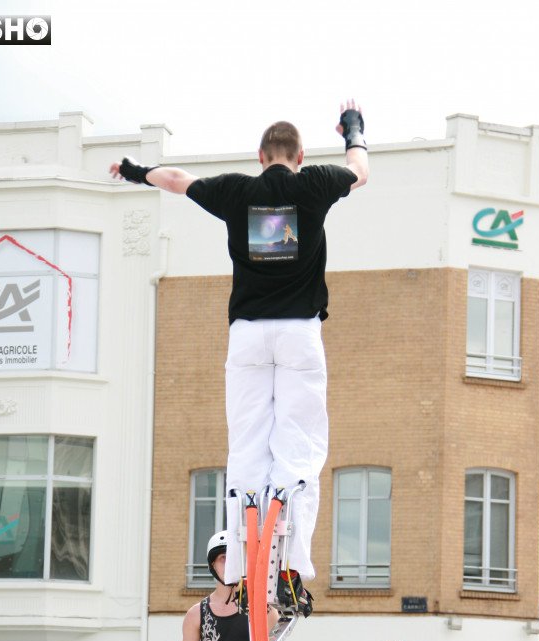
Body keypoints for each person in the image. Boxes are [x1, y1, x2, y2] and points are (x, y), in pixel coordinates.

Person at [110, 101, 368, 596]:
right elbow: (360, 169)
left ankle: (242, 563)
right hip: (299, 332)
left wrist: (135, 171)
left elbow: (177, 180)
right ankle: (291, 563)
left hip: (248, 333)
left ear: (260, 155)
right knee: (299, 443)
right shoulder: (314, 183)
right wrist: (353, 128)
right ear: (299, 155)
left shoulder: (236, 190)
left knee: (247, 444)